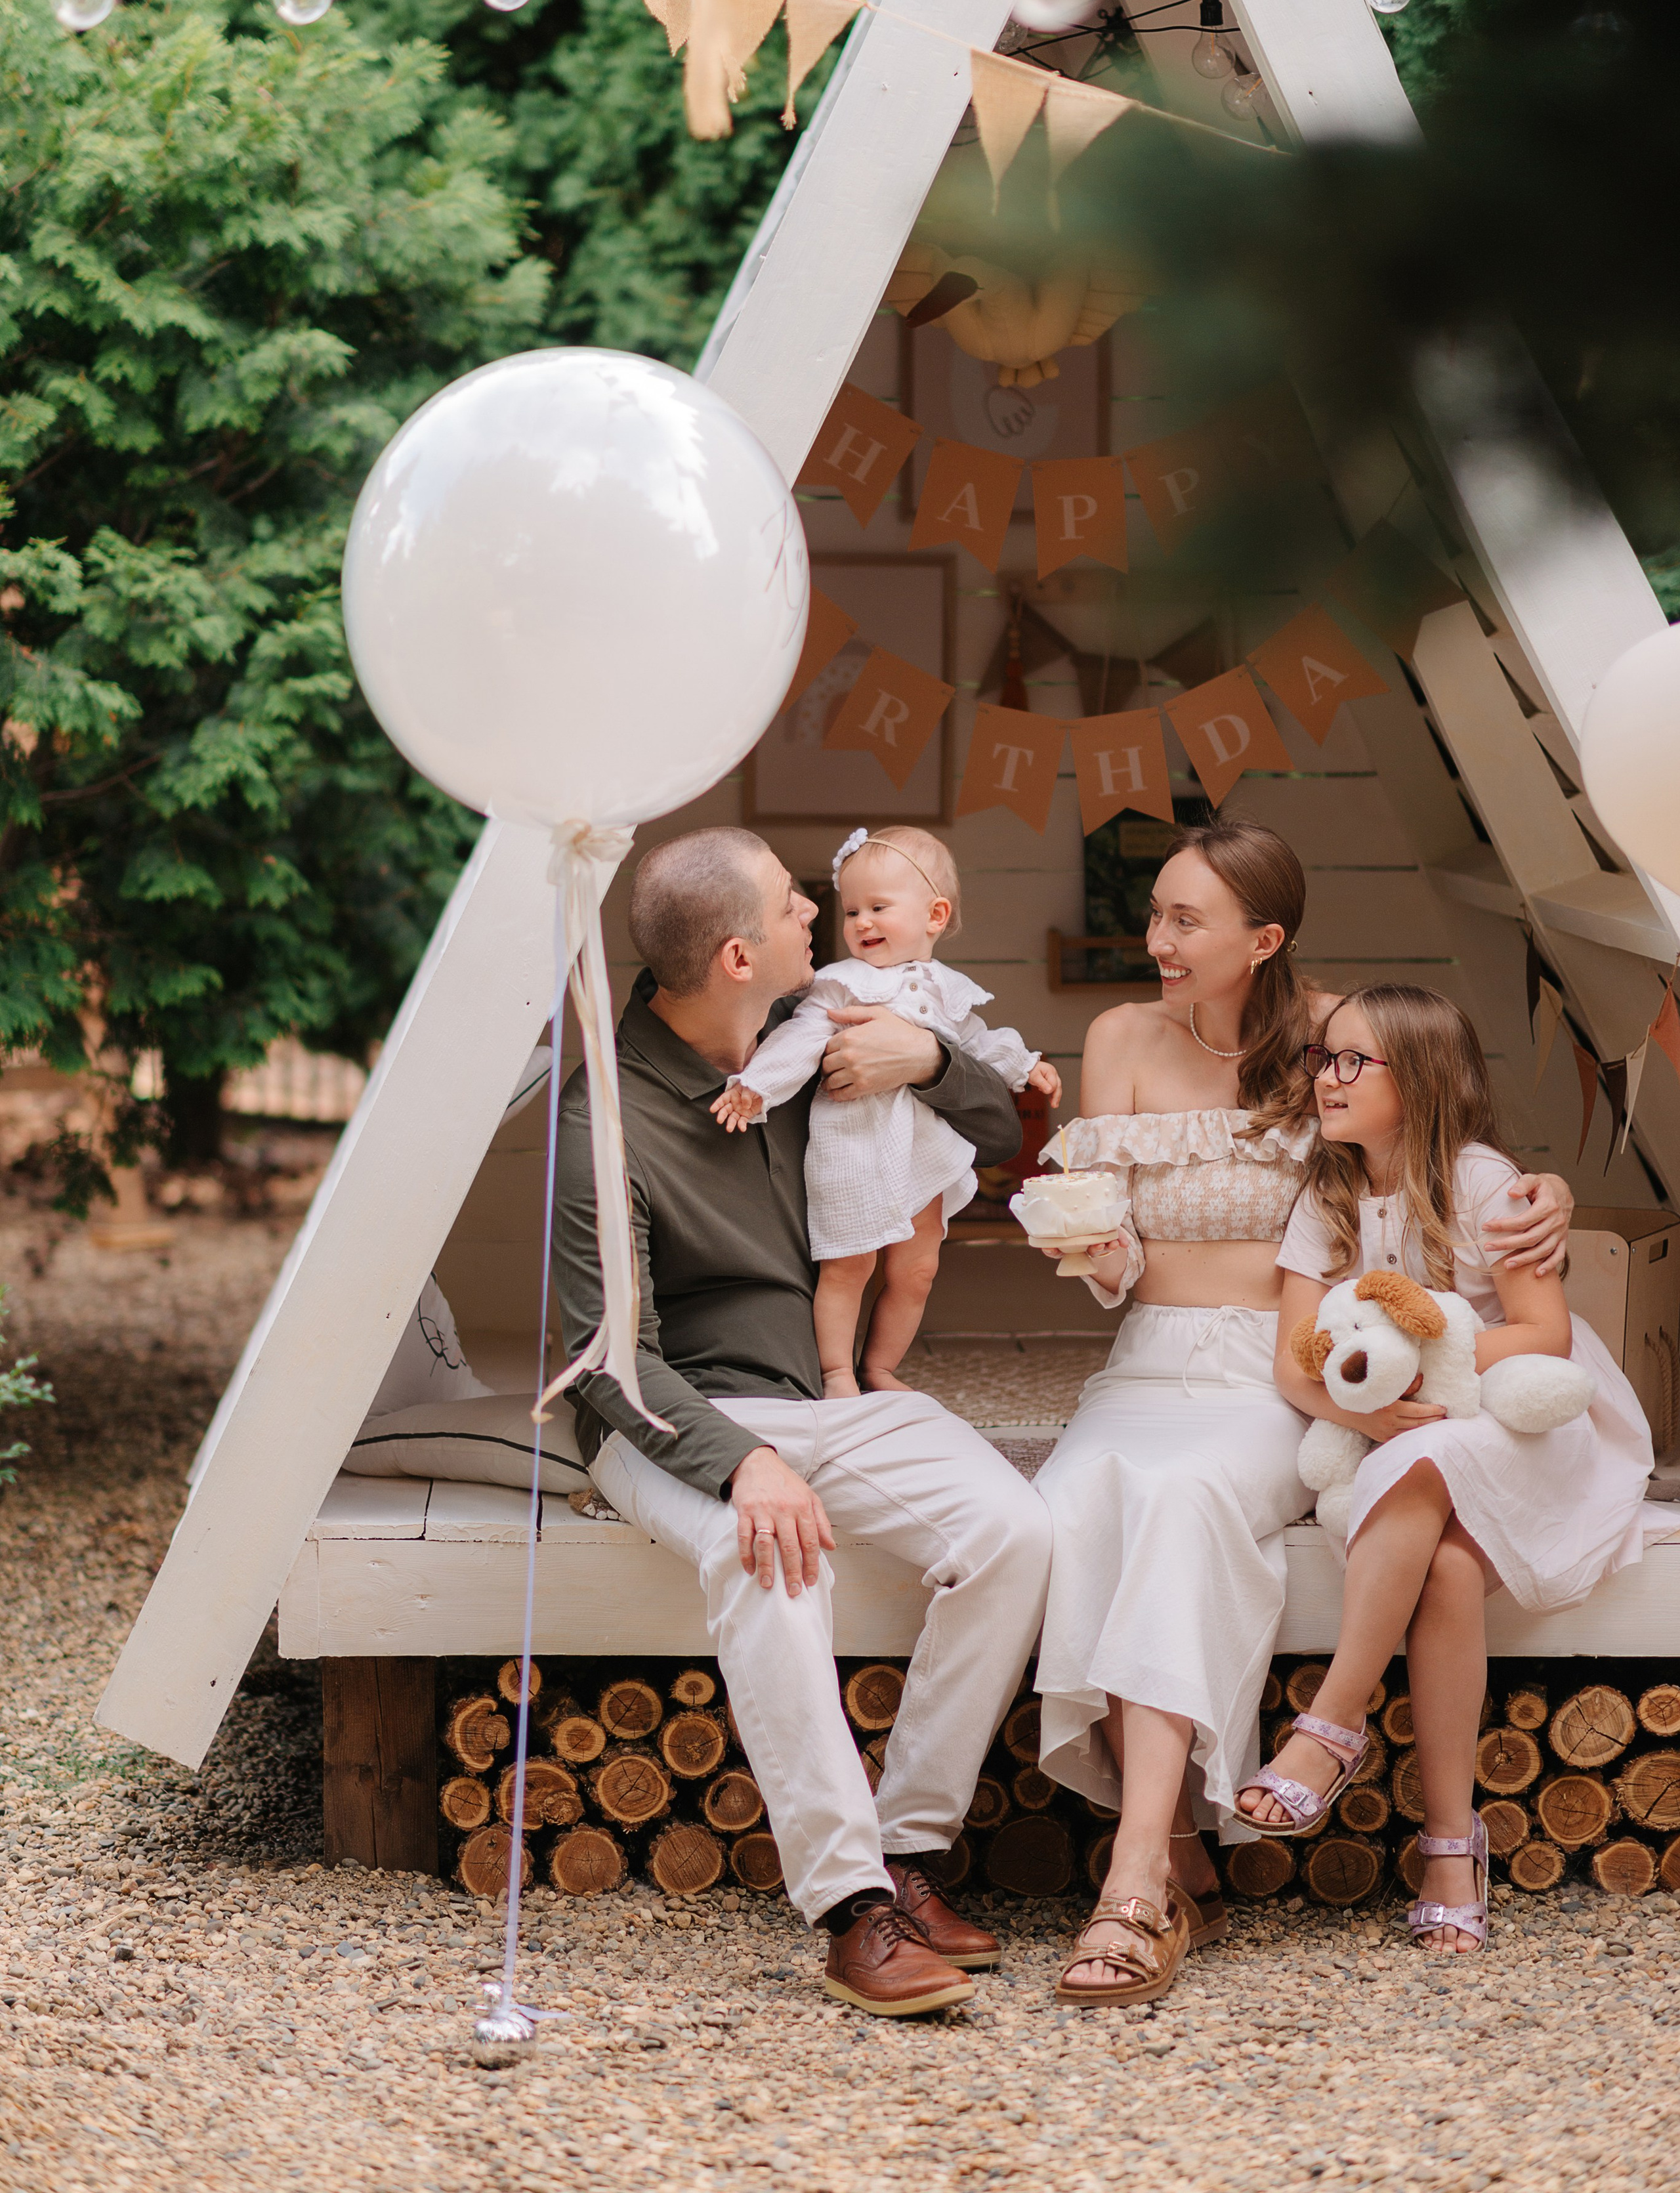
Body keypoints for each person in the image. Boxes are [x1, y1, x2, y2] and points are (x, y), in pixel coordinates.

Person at [1028, 822, 1575, 2010]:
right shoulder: (1119, 1036)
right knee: (1071, 1509)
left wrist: (1550, 1191)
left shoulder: (1339, 1040)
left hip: (1291, 1367)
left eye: (1186, 919)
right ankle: (1180, 1853)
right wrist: (1094, 1248)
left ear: (1264, 938)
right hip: (1144, 1360)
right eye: (1156, 912)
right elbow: (1104, 1237)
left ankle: (1135, 1879)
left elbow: (1436, 1137)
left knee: (1183, 1500)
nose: (1157, 939)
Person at [551, 824, 1053, 2018]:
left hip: (823, 1395)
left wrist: (931, 1058)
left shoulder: (823, 1035)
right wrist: (745, 1464)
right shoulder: (603, 1118)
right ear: (739, 956)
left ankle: (909, 1851)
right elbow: (606, 1358)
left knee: (1015, 1532)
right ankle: (850, 1906)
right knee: (768, 1550)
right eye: (792, 903)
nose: (818, 915)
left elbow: (1003, 1138)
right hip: (676, 1417)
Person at [1237, 985, 1651, 1950]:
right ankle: (1450, 1848)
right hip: (1404, 1428)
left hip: (1527, 1418)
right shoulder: (1325, 1191)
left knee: (1424, 1452)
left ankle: (1334, 1720)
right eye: (1322, 1057)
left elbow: (1544, 1333)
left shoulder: (1483, 1181)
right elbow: (1295, 1360)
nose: (1326, 1078)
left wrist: (1421, 1373)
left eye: (1353, 1061)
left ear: (1419, 1079)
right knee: (1452, 1572)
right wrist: (1359, 1405)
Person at [713, 825, 1062, 1397]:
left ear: (935, 915)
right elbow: (799, 1040)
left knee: (917, 1270)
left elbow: (977, 1040)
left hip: (922, 1154)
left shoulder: (949, 990)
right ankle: (835, 1372)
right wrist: (757, 1085)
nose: (861, 922)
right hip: (855, 1148)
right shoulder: (840, 984)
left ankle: (879, 1367)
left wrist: (1025, 1065)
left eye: (878, 907)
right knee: (848, 1267)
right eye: (852, 911)